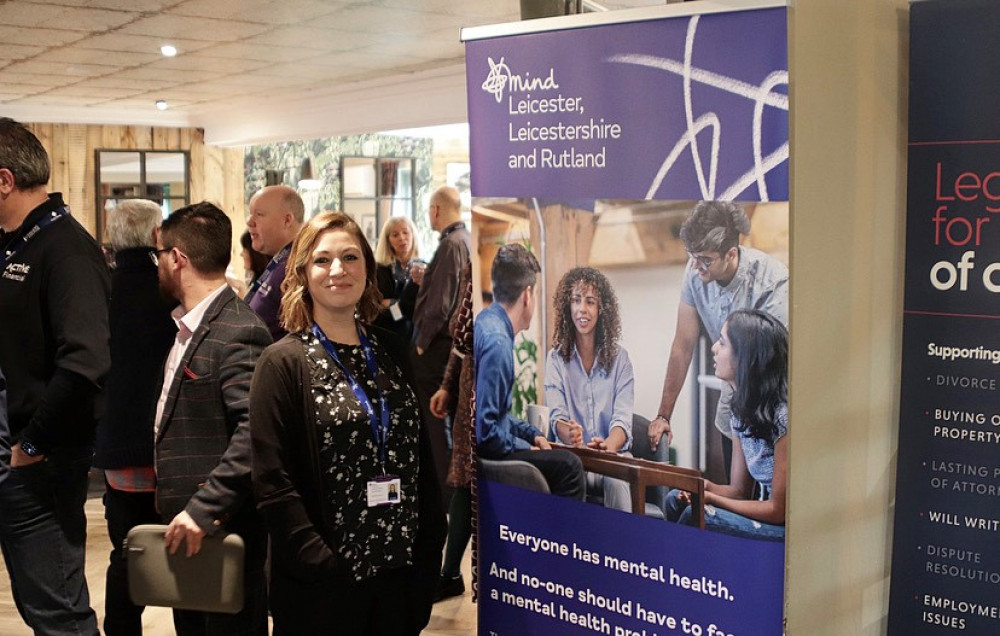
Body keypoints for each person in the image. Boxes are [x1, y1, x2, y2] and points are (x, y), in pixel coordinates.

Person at [250, 211, 446, 635]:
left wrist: (430, 551)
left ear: (367, 270)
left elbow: (420, 458)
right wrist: (322, 564)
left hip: (399, 580)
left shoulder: (393, 350)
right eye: (322, 260)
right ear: (303, 271)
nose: (338, 270)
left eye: (350, 257)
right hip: (322, 590)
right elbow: (272, 482)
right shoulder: (282, 362)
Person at [0, 117, 109, 634]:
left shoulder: (65, 248)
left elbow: (86, 361)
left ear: (4, 181)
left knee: (58, 612)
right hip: (20, 454)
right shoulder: (17, 243)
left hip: (40, 462)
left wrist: (32, 444)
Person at [153, 201, 271, 635]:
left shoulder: (239, 329)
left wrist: (204, 508)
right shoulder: (191, 325)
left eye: (160, 255)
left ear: (178, 258)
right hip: (190, 531)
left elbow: (252, 431)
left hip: (220, 530)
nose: (158, 266)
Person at [94, 199, 177, 636]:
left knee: (126, 552)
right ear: (155, 237)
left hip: (117, 445)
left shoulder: (100, 289)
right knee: (183, 557)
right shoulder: (172, 294)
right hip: (167, 447)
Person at [648, 201, 788, 453]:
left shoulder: (772, 282)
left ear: (731, 254)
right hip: (731, 409)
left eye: (705, 259)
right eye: (692, 256)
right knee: (733, 488)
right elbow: (682, 346)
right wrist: (663, 416)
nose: (696, 266)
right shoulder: (694, 272)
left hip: (770, 411)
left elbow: (770, 365)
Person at [665, 309, 788, 541]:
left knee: (700, 515)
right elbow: (739, 491)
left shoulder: (783, 416)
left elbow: (778, 510)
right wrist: (702, 487)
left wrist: (711, 499)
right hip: (765, 515)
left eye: (722, 343)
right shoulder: (739, 410)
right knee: (675, 500)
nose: (714, 348)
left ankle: (675, 572)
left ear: (745, 357)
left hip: (784, 528)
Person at [475, 244, 585, 500]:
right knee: (569, 466)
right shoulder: (498, 343)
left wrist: (533, 435)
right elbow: (486, 431)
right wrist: (526, 447)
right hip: (492, 458)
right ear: (527, 295)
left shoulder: (487, 323)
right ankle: (562, 540)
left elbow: (498, 416)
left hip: (492, 452)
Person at [545, 267, 634, 512]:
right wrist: (568, 434)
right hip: (574, 458)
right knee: (570, 475)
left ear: (601, 309)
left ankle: (622, 548)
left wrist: (609, 447)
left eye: (590, 301)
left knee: (616, 480)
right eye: (575, 300)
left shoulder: (621, 360)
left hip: (613, 458)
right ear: (567, 307)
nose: (582, 308)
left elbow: (622, 420)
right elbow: (557, 417)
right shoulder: (555, 359)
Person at [412, 186, 471, 501]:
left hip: (437, 350)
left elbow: (441, 304)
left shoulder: (450, 245)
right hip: (451, 350)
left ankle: (446, 496)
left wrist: (421, 343)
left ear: (436, 210)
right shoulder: (466, 241)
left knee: (438, 426)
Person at [428, 261, 474, 601]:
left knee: (469, 485)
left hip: (480, 395)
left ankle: (450, 572)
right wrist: (447, 385)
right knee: (462, 482)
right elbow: (461, 339)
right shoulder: (471, 266)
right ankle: (449, 572)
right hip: (466, 392)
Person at [245, 184, 305, 341]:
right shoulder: (281, 260)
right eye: (250, 214)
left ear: (287, 220)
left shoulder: (299, 266)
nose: (249, 222)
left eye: (259, 214)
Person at [373, 215, 423, 342]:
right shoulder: (379, 269)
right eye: (395, 235)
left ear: (413, 235)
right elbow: (377, 305)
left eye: (405, 232)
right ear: (388, 241)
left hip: (419, 337)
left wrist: (393, 303)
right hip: (388, 334)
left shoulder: (424, 268)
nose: (402, 238)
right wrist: (404, 308)